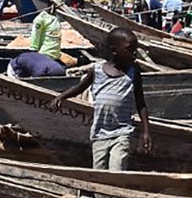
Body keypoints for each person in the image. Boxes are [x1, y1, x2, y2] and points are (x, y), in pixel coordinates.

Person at [62, 31, 150, 170]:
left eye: (135, 50)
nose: (134, 54)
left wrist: (146, 131)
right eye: (129, 49)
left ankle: (115, 190)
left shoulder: (133, 72)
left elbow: (141, 102)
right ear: (114, 50)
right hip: (99, 134)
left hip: (122, 132)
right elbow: (80, 88)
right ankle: (100, 193)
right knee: (99, 172)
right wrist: (61, 97)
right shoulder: (97, 70)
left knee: (117, 168)